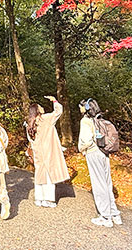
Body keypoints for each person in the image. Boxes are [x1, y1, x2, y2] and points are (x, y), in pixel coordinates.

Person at [78, 98, 122, 227]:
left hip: (93, 153)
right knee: (107, 183)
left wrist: (81, 149)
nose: (80, 109)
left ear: (86, 108)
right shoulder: (99, 119)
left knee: (98, 184)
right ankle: (115, 214)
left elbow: (86, 140)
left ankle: (105, 217)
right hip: (104, 152)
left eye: (81, 107)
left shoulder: (86, 121)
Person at [25, 96, 70, 208]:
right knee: (49, 174)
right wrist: (54, 100)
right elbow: (58, 111)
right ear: (38, 111)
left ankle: (39, 198)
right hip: (49, 150)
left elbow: (30, 140)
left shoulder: (29, 124)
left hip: (37, 152)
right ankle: (48, 200)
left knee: (39, 174)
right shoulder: (46, 119)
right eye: (40, 107)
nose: (42, 108)